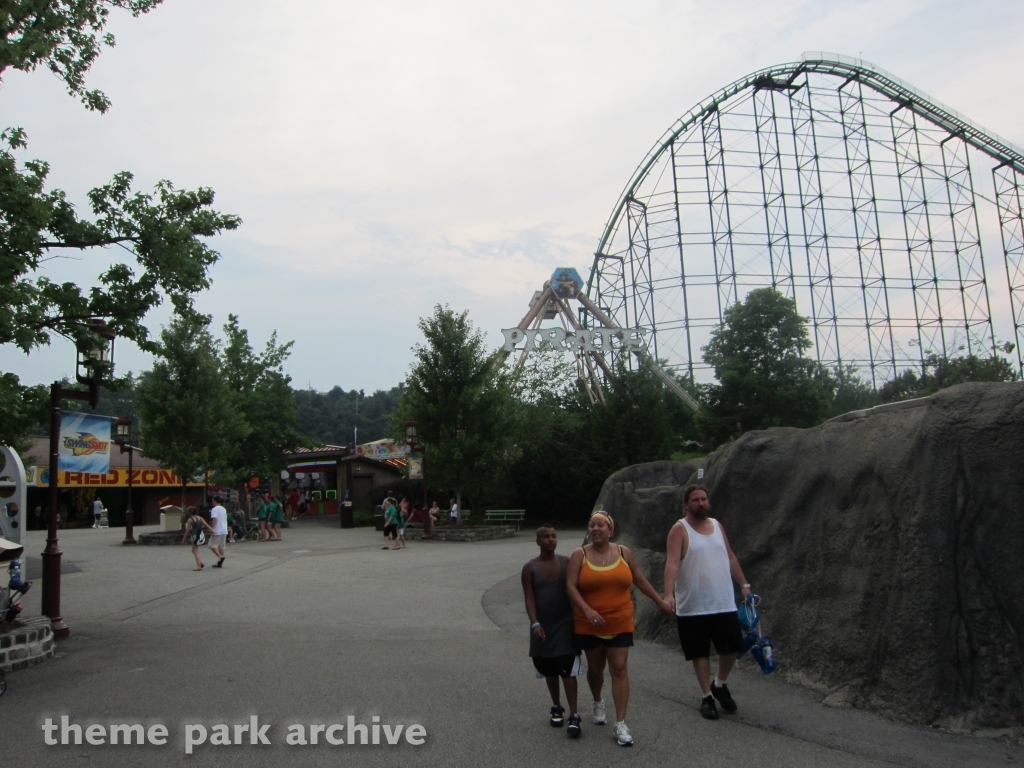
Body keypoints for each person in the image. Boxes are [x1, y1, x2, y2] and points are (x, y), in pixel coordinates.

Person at [567, 511, 672, 747]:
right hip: (589, 623)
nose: (596, 528)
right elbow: (571, 587)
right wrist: (587, 610)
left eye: (601, 525)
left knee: (620, 668)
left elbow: (639, 579)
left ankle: (621, 723)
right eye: (592, 525)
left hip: (620, 620)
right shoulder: (579, 555)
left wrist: (659, 602)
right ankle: (597, 700)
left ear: (610, 531)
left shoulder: (624, 552)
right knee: (595, 668)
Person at [663, 485, 752, 720]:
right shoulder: (679, 530)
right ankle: (706, 696)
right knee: (699, 651)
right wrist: (668, 594)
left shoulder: (717, 525)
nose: (701, 503)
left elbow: (730, 556)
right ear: (686, 504)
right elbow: (672, 563)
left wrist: (744, 584)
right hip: (693, 604)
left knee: (733, 646)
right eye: (695, 500)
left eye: (704, 499)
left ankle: (720, 684)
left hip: (722, 601)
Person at [521, 525, 582, 737]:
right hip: (542, 626)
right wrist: (535, 623)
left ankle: (574, 714)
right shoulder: (529, 568)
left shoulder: (566, 563)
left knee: (567, 665)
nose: (551, 540)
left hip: (565, 624)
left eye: (554, 536)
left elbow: (577, 589)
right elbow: (529, 597)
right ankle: (557, 706)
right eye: (546, 537)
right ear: (537, 541)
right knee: (548, 667)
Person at [207, 497, 228, 567]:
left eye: (213, 501)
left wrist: (213, 529)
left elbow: (215, 519)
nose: (212, 503)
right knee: (222, 546)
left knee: (212, 545)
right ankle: (220, 562)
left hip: (218, 529)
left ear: (215, 501)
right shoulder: (223, 509)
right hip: (224, 529)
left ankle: (220, 556)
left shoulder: (214, 509)